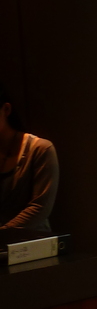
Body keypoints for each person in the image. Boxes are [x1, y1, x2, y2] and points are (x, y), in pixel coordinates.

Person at [0, 84, 59, 235]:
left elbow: (39, 207)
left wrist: (3, 233)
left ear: (6, 110)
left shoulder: (40, 149)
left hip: (31, 244)